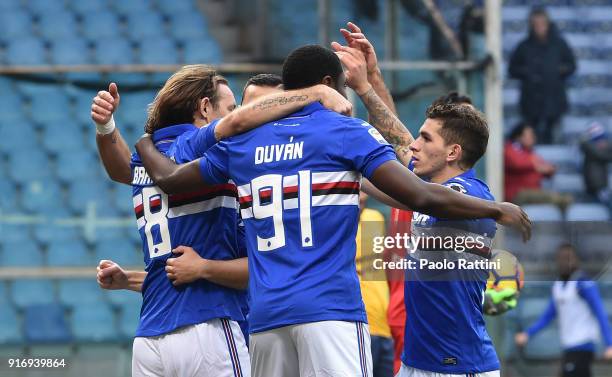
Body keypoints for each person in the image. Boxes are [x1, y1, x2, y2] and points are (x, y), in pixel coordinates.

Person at [135, 43, 531, 377]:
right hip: (330, 310)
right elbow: (419, 191)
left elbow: (170, 179)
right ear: (327, 86)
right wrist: (497, 209)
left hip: (266, 317)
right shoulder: (346, 135)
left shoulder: (242, 147)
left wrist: (143, 144)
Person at [93, 65, 352, 377]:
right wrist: (315, 95)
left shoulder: (146, 157)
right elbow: (256, 266)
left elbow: (122, 170)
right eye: (231, 109)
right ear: (205, 108)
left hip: (150, 337)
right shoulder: (218, 152)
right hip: (209, 328)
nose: (239, 116)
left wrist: (107, 128)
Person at [335, 38, 522, 374]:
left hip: (457, 366)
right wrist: (372, 81)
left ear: (453, 153)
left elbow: (414, 175)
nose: (415, 146)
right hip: (416, 360)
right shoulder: (429, 189)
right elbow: (396, 140)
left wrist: (497, 210)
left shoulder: (469, 194)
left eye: (426, 139)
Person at [515, 244, 612, 377]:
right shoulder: (558, 286)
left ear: (576, 260)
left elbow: (600, 312)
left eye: (568, 258)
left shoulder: (583, 283)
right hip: (569, 347)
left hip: (583, 346)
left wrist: (609, 343)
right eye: (561, 259)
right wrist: (528, 334)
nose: (564, 263)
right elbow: (548, 316)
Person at [508, 7, 576, 144]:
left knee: (553, 135)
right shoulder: (524, 46)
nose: (539, 28)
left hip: (554, 98)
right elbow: (512, 69)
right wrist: (528, 73)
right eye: (536, 24)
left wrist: (556, 71)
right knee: (531, 135)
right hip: (530, 100)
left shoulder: (559, 45)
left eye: (542, 24)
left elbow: (571, 65)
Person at [356, 192, 394, 377]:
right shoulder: (332, 226)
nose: (362, 197)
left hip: (385, 326)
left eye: (364, 189)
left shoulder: (376, 218)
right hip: (356, 327)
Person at [504, 122, 572, 210]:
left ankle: (561, 199)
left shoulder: (530, 153)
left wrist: (550, 169)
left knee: (542, 194)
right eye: (529, 135)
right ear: (518, 137)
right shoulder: (509, 148)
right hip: (516, 194)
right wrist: (536, 166)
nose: (533, 138)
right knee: (544, 195)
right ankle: (560, 200)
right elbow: (516, 163)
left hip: (533, 192)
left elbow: (546, 169)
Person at [580, 122, 612, 210]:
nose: (601, 141)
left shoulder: (604, 148)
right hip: (593, 184)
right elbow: (598, 153)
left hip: (600, 184)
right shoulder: (587, 146)